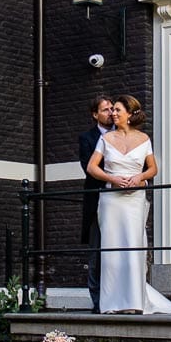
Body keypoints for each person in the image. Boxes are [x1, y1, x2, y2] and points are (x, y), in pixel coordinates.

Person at [86, 95, 171, 315]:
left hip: (135, 200)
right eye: (112, 111)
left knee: (133, 245)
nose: (113, 114)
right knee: (111, 248)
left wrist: (139, 177)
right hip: (111, 201)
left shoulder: (144, 139)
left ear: (129, 115)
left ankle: (135, 301)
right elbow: (92, 167)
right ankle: (111, 303)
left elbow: (152, 169)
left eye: (118, 110)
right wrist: (113, 179)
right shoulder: (106, 139)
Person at [78, 95, 114, 313]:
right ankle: (97, 301)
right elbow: (88, 168)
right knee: (97, 252)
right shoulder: (87, 138)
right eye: (105, 110)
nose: (111, 113)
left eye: (112, 108)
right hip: (98, 200)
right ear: (95, 115)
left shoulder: (123, 135)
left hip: (120, 201)